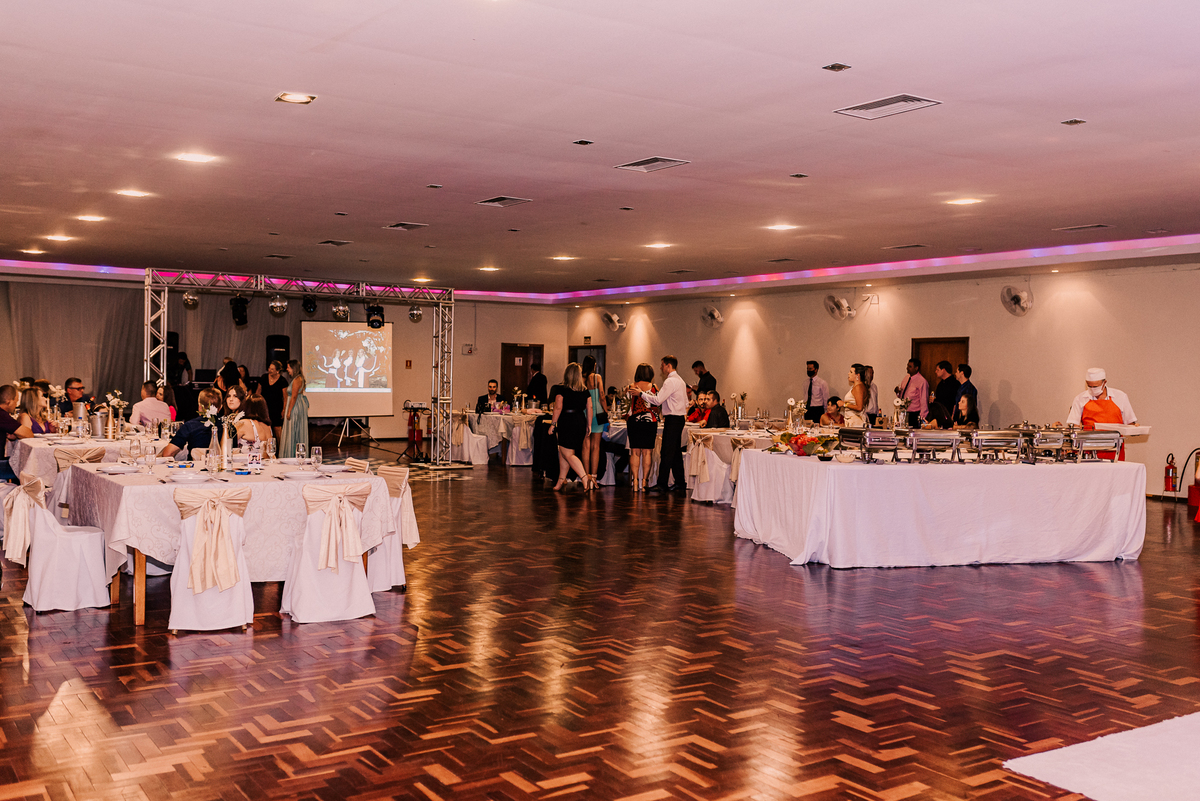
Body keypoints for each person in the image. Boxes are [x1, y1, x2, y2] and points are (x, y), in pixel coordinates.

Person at [636, 355, 688, 495]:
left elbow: (658, 400)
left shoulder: (670, 381)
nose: (661, 368)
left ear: (668, 366)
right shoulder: (680, 381)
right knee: (675, 452)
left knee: (666, 451)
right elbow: (686, 403)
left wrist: (641, 394)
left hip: (673, 419)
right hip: (679, 418)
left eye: (662, 365)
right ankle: (680, 482)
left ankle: (662, 484)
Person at [548, 363, 594, 491]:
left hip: (567, 421)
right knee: (564, 452)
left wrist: (552, 424)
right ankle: (560, 481)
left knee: (567, 453)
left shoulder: (561, 389)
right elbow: (590, 408)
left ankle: (584, 477)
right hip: (580, 421)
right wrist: (589, 424)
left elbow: (558, 407)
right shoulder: (584, 391)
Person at [1063, 368, 1136, 429]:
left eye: (1095, 387)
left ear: (1104, 383)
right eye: (1089, 386)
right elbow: (1074, 425)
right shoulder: (1080, 399)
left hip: (1115, 441)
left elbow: (1130, 423)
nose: (1092, 389)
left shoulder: (1120, 396)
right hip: (1088, 441)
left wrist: (1135, 429)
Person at [161, 388, 223, 460]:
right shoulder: (227, 426)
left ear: (200, 406)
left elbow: (167, 453)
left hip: (195, 466)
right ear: (220, 407)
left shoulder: (190, 426)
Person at [626, 363, 659, 492]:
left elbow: (627, 403)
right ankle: (645, 482)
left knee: (634, 451)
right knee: (647, 452)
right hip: (650, 421)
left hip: (634, 420)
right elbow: (657, 404)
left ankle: (635, 481)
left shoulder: (631, 387)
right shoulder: (654, 387)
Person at [582, 355, 608, 487]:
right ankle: (594, 477)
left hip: (584, 412)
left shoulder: (581, 378)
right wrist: (606, 411)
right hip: (597, 411)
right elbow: (602, 396)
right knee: (596, 446)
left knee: (585, 445)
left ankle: (585, 476)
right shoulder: (597, 377)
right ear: (594, 365)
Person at [280, 359, 309, 459]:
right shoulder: (297, 379)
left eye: (288, 367)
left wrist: (289, 411)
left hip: (295, 406)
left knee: (293, 430)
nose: (287, 369)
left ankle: (292, 455)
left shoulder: (297, 379)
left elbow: (294, 396)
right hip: (295, 405)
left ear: (293, 368)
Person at [894, 359, 929, 427]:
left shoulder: (922, 381)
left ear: (916, 368)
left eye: (910, 366)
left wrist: (922, 418)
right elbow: (902, 395)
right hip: (904, 413)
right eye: (907, 365)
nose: (907, 368)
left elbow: (924, 400)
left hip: (914, 414)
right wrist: (897, 392)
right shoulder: (906, 378)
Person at [261, 360, 288, 443]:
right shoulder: (264, 378)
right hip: (264, 407)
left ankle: (281, 449)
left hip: (277, 408)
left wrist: (284, 409)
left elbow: (285, 397)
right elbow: (258, 392)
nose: (269, 370)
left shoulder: (282, 381)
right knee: (265, 428)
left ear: (277, 371)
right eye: (269, 368)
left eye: (272, 369)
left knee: (277, 429)